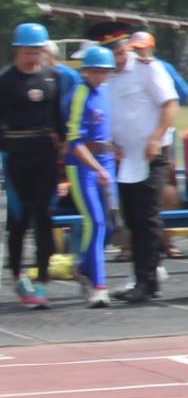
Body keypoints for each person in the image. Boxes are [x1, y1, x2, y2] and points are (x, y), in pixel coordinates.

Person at [105, 30, 180, 303]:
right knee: (133, 220)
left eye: (122, 52)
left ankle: (148, 282)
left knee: (147, 217)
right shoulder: (107, 77)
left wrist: (156, 138)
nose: (120, 59)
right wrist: (110, 143)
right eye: (114, 55)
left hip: (150, 154)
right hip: (124, 159)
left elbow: (170, 105)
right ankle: (141, 278)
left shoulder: (149, 69)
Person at [4, 21, 67, 308]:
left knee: (44, 217)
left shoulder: (52, 77)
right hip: (15, 156)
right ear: (18, 50)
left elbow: (59, 120)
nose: (33, 56)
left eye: (38, 51)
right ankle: (19, 275)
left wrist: (63, 156)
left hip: (45, 156)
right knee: (18, 220)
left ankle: (42, 282)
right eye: (29, 51)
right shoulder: (5, 80)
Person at [60, 45, 115, 306]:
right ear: (86, 71)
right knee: (95, 222)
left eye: (104, 71)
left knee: (111, 224)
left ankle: (84, 267)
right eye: (95, 71)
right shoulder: (80, 94)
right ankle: (99, 286)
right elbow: (75, 141)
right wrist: (98, 168)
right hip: (83, 167)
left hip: (106, 162)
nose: (100, 76)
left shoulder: (104, 92)